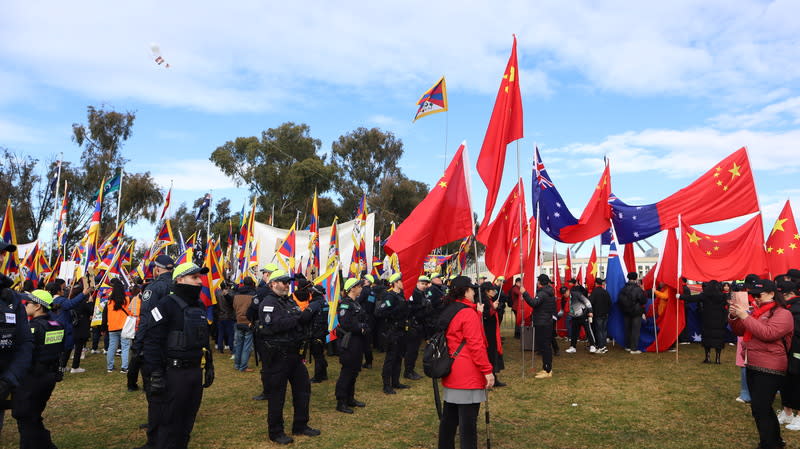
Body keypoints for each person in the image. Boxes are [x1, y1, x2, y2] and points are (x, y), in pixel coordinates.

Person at [142, 262, 215, 449]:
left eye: (200, 277)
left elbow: (203, 339)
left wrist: (209, 365)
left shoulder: (198, 305)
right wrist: (155, 373)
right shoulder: (165, 304)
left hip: (193, 373)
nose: (200, 282)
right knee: (169, 421)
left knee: (187, 420)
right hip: (173, 373)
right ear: (180, 279)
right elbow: (152, 341)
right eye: (195, 277)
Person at [255, 270, 321, 445]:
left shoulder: (288, 300)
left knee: (303, 389)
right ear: (272, 284)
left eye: (287, 282)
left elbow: (296, 320)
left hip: (294, 354)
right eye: (283, 282)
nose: (286, 285)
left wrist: (299, 317)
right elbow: (277, 324)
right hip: (278, 355)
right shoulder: (268, 303)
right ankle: (275, 432)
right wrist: (299, 317)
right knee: (277, 395)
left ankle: (301, 425)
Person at [729, 279, 793, 449]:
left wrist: (744, 316)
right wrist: (735, 316)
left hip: (771, 366)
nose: (755, 298)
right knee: (760, 408)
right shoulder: (756, 312)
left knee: (761, 407)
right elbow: (740, 331)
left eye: (759, 295)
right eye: (753, 295)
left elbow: (768, 333)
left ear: (772, 294)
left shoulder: (783, 313)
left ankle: (770, 444)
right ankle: (774, 441)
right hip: (753, 363)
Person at [437, 275, 494, 449]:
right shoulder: (467, 313)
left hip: (453, 368)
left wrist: (477, 313)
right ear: (466, 291)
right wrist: (487, 370)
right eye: (472, 289)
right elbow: (476, 345)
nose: (474, 293)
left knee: (449, 418)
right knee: (468, 424)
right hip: (467, 373)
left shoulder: (450, 309)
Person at [131, 255, 174, 449]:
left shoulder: (153, 288)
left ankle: (156, 427)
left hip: (154, 343)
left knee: (154, 388)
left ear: (157, 269)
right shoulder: (178, 285)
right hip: (173, 344)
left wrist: (138, 344)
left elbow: (146, 318)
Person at [13, 289, 64, 449]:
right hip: (49, 377)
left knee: (24, 416)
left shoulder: (33, 328)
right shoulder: (56, 324)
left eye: (27, 303)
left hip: (32, 379)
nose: (24, 305)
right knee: (33, 415)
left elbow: (22, 353)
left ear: (37, 306)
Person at [334, 278, 370, 413]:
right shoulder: (345, 304)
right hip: (349, 342)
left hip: (357, 341)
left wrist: (363, 327)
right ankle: (341, 401)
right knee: (347, 371)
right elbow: (346, 323)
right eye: (359, 286)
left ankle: (350, 398)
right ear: (352, 288)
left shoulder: (356, 303)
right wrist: (360, 327)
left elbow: (363, 319)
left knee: (354, 371)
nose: (361, 288)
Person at [376, 272, 410, 394]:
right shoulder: (390, 296)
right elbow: (380, 312)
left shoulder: (401, 296)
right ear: (395, 282)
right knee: (390, 358)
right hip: (393, 331)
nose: (403, 283)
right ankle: (386, 385)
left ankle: (395, 382)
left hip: (401, 330)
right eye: (401, 281)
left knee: (399, 357)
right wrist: (396, 310)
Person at [683, 280, 729, 364]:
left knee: (707, 339)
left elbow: (692, 298)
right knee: (718, 339)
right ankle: (717, 359)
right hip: (719, 320)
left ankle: (707, 358)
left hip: (707, 319)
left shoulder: (705, 295)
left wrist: (680, 297)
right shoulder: (723, 296)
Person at [524, 274, 556, 378]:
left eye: (538, 281)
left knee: (545, 346)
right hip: (546, 321)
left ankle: (547, 370)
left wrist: (524, 293)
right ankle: (546, 368)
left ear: (540, 283)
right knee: (545, 346)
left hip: (543, 323)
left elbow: (534, 303)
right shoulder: (549, 292)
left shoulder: (543, 293)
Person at [778, 281, 800, 430]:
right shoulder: (784, 308)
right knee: (786, 382)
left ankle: (799, 416)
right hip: (785, 350)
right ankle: (787, 412)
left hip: (797, 350)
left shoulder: (796, 309)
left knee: (798, 382)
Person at [405, 275, 431, 381]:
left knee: (415, 350)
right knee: (411, 350)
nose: (424, 286)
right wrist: (422, 306)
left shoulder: (422, 293)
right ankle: (408, 371)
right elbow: (409, 309)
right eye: (422, 284)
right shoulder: (413, 293)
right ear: (417, 283)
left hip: (420, 324)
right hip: (413, 324)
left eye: (425, 284)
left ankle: (411, 370)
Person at [480, 282, 505, 386]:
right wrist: (493, 308)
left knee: (492, 353)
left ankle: (494, 377)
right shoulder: (482, 301)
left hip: (492, 331)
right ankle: (489, 377)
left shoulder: (489, 300)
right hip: (487, 332)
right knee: (489, 354)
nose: (494, 292)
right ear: (487, 291)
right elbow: (484, 316)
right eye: (492, 290)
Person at [106, 278, 131, 373]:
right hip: (124, 326)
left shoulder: (109, 302)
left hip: (112, 327)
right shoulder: (127, 300)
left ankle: (110, 367)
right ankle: (124, 367)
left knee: (112, 347)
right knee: (125, 347)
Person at [618, 272, 647, 354]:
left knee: (627, 329)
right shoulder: (638, 289)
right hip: (636, 312)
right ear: (636, 279)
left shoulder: (623, 289)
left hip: (626, 312)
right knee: (635, 330)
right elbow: (643, 300)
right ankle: (633, 348)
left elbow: (620, 300)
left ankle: (627, 346)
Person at [232, 277, 257, 372]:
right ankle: (242, 366)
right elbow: (254, 309)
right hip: (248, 322)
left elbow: (234, 307)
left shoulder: (236, 295)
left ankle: (237, 364)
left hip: (238, 321)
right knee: (246, 346)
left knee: (238, 344)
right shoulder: (253, 295)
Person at [309, 284, 330, 383]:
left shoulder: (315, 304)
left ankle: (318, 377)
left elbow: (305, 317)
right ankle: (324, 374)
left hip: (316, 332)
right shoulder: (324, 302)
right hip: (322, 331)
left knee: (317, 355)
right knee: (320, 354)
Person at [565, 284, 594, 353]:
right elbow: (564, 309)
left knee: (588, 331)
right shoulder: (565, 298)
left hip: (583, 315)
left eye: (565, 292)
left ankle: (593, 346)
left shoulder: (576, 294)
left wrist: (590, 311)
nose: (565, 295)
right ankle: (573, 347)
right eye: (563, 294)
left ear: (568, 291)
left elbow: (587, 301)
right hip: (574, 317)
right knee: (574, 332)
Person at [357, 274, 377, 369]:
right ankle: (369, 362)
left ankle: (365, 362)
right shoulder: (372, 292)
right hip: (370, 317)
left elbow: (358, 301)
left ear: (368, 281)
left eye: (363, 279)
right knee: (367, 341)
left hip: (364, 318)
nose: (362, 280)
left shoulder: (364, 291)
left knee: (363, 341)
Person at [589, 278, 611, 354]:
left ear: (596, 284)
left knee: (599, 331)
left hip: (598, 314)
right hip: (605, 314)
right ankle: (604, 346)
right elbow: (609, 303)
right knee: (604, 330)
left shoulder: (595, 292)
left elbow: (590, 303)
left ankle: (601, 347)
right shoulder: (605, 292)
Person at [216, 281, 235, 354]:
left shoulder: (217, 293)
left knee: (221, 332)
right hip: (228, 316)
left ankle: (220, 347)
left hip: (220, 316)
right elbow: (232, 303)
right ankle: (231, 347)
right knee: (230, 333)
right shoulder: (230, 293)